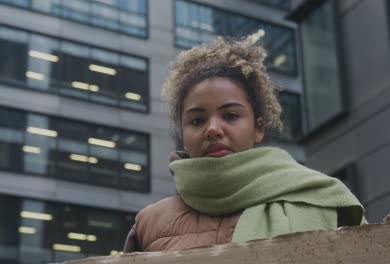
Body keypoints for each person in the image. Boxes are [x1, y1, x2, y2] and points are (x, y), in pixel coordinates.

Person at [123, 37, 365, 253]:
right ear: (183, 133)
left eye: (230, 116)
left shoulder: (323, 200)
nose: (213, 129)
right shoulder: (150, 222)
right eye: (197, 120)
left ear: (258, 128)